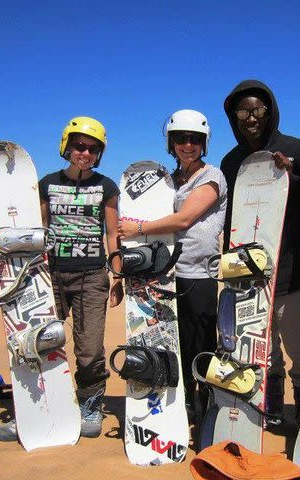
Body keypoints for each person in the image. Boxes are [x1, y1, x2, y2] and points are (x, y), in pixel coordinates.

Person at [0, 116, 124, 440]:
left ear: (99, 154)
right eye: (79, 146)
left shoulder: (107, 187)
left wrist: (118, 276)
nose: (84, 153)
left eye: (92, 149)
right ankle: (33, 408)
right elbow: (31, 229)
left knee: (89, 350)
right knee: (39, 340)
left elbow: (112, 235)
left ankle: (90, 404)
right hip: (49, 276)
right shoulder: (45, 185)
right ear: (67, 146)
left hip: (91, 277)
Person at [220, 80, 300, 428]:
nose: (251, 118)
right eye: (243, 112)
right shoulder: (231, 161)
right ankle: (274, 412)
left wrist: (290, 177)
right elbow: (232, 217)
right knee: (266, 354)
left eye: (258, 110)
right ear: (234, 116)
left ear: (270, 111)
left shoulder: (299, 150)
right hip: (249, 280)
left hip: (295, 274)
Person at [117, 109, 227, 424]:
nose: (187, 144)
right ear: (171, 142)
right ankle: (179, 405)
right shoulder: (167, 181)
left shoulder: (211, 176)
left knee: (200, 345)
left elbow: (184, 219)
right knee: (169, 342)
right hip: (165, 275)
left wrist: (138, 228)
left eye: (194, 139)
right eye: (181, 138)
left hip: (198, 274)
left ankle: (206, 408)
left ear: (204, 143)